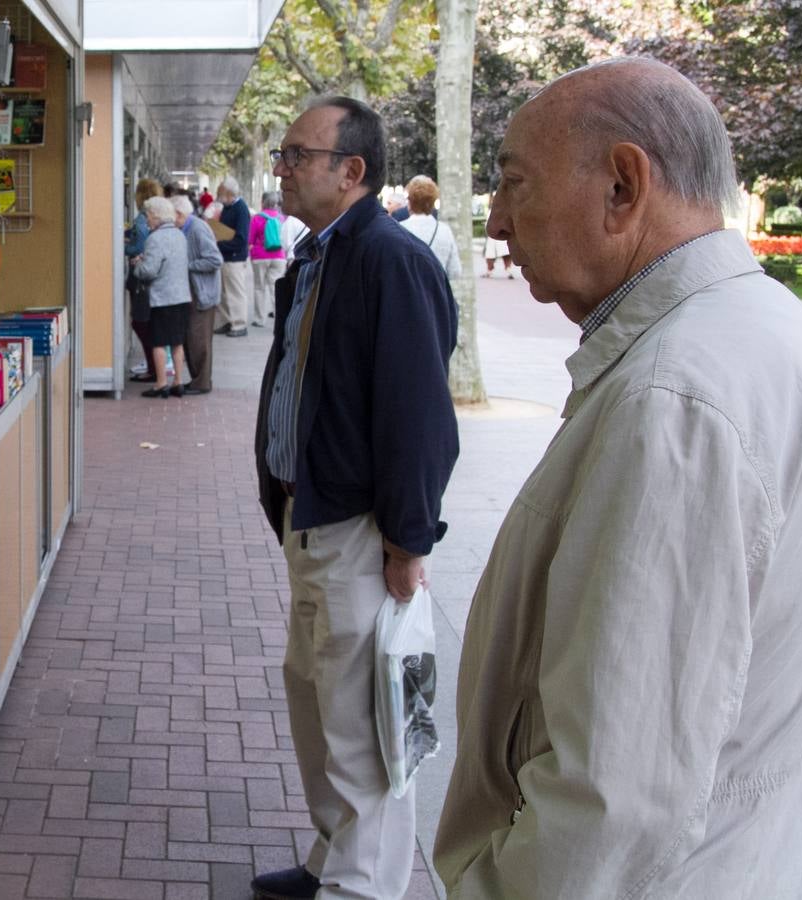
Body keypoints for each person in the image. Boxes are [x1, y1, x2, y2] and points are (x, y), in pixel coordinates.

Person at [434, 58, 802, 898]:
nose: (497, 219)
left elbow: (612, 796)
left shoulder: (676, 395)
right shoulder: (763, 331)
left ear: (624, 185)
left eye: (514, 181)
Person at [251, 96, 458, 900]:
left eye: (298, 154)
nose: (283, 168)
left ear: (352, 171)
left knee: (358, 725)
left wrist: (409, 541)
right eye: (284, 152)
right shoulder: (320, 255)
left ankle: (360, 887)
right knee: (316, 698)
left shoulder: (389, 260)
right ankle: (331, 861)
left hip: (358, 530)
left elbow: (418, 417)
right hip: (313, 515)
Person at [128, 196, 190, 398]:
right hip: (181, 296)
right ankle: (178, 382)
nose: (147, 220)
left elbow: (149, 271)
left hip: (163, 298)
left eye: (148, 216)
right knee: (177, 342)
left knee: (159, 342)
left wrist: (137, 264)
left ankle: (161, 383)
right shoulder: (179, 235)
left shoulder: (154, 238)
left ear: (156, 215)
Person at [173, 194, 221, 395]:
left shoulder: (197, 229)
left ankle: (201, 382)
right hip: (192, 292)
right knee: (191, 337)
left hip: (203, 293)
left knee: (199, 340)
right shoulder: (186, 228)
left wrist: (188, 266)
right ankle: (196, 380)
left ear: (179, 214)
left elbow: (214, 259)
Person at [124, 177, 163, 383]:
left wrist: (120, 244)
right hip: (152, 277)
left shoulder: (141, 219)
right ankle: (154, 367)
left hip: (139, 278)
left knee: (140, 323)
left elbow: (137, 248)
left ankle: (153, 368)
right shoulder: (156, 218)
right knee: (146, 322)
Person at [398, 175, 460, 278]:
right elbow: (455, 271)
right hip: (437, 292)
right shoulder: (444, 230)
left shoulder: (399, 229)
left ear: (410, 202)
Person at [213, 177, 252, 337]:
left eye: (221, 194)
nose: (219, 197)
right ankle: (226, 321)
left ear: (229, 193)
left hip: (234, 257)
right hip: (225, 256)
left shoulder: (240, 209)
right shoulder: (228, 208)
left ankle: (239, 324)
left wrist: (219, 244)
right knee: (223, 292)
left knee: (235, 292)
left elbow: (241, 238)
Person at [248, 191, 289, 328]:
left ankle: (260, 319)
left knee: (259, 288)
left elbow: (250, 239)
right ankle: (279, 317)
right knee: (276, 287)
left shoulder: (257, 218)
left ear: (263, 201)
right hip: (279, 257)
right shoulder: (281, 218)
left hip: (260, 256)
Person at [481, 212, 514, 278]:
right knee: (504, 254)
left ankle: (490, 271)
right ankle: (507, 270)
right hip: (499, 237)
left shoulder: (492, 211)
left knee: (491, 254)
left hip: (496, 236)